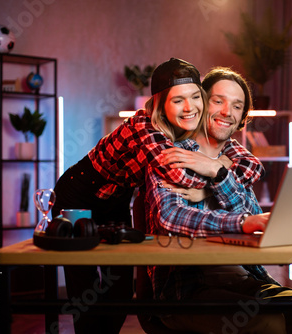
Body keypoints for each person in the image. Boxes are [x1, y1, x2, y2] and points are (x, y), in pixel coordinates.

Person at [52, 58, 264, 334]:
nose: (189, 107)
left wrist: (212, 173)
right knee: (85, 290)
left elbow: (252, 166)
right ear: (160, 103)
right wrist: (214, 174)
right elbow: (180, 178)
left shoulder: (190, 130)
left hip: (117, 199)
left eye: (194, 97)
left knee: (119, 289)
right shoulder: (148, 129)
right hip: (78, 195)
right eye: (178, 100)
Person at [145, 67, 292, 333]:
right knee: (267, 322)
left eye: (237, 106)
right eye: (218, 101)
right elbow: (171, 217)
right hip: (188, 288)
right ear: (200, 103)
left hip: (249, 280)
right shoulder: (169, 154)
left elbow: (253, 216)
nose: (228, 112)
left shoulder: (239, 162)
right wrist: (244, 220)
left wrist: (218, 173)